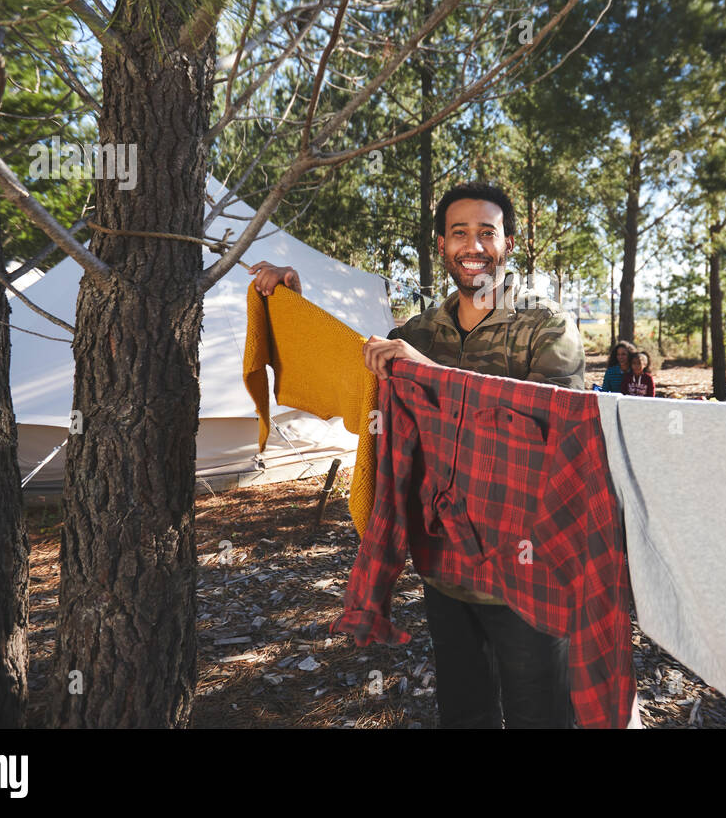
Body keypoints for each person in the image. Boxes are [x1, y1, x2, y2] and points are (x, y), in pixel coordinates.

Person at [248, 183, 587, 729]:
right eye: (459, 233)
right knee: (465, 711)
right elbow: (361, 368)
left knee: (541, 714)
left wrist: (428, 373)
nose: (473, 245)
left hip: (528, 563)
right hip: (447, 563)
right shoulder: (421, 331)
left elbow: (553, 429)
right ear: (441, 244)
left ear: (509, 243)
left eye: (486, 232)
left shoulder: (546, 326)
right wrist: (293, 302)